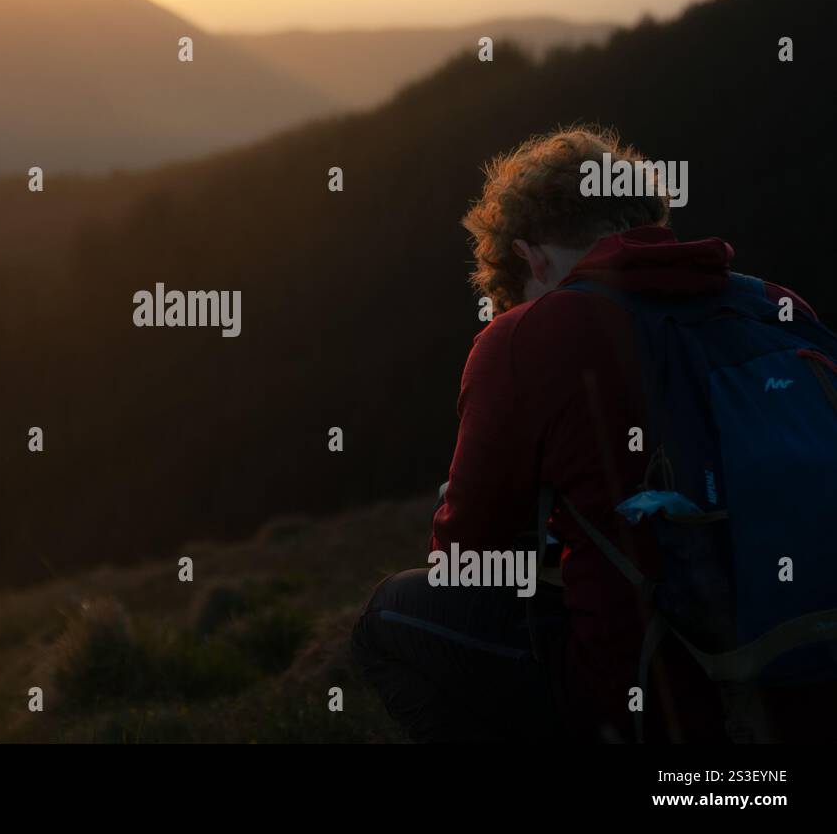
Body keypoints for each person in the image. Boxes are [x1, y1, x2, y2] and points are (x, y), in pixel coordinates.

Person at [351, 126, 833, 742]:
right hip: (813, 683)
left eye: (514, 299)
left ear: (531, 258)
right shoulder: (774, 306)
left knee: (389, 618)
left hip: (661, 698)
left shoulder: (529, 336)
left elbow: (465, 562)